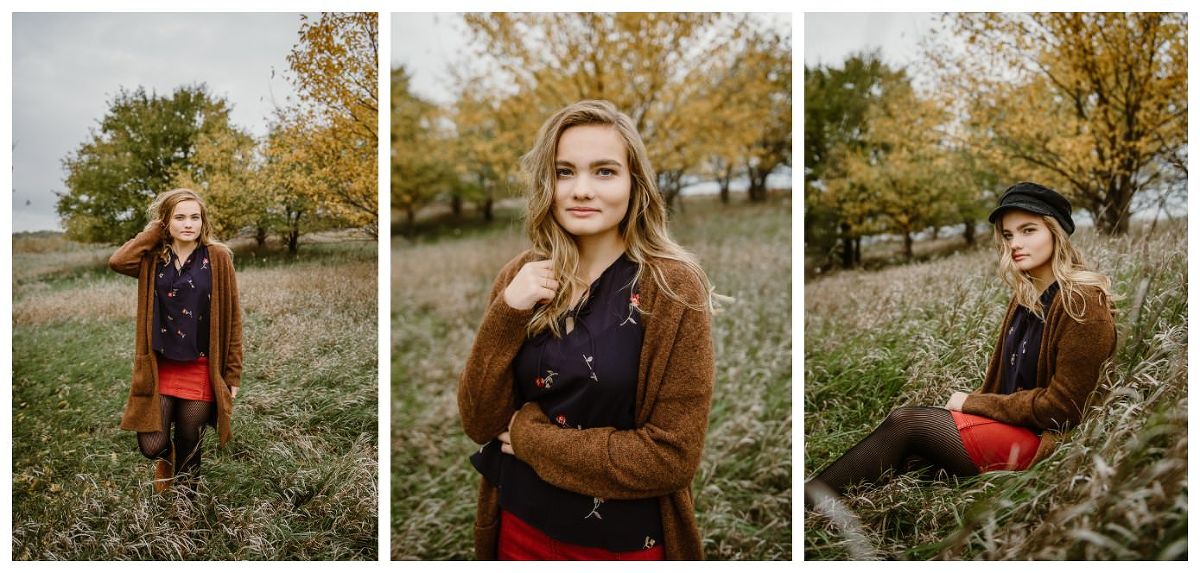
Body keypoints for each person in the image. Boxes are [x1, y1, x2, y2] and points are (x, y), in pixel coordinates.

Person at [457, 100, 718, 560]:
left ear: (634, 183)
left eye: (604, 172)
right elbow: (479, 422)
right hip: (516, 529)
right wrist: (507, 312)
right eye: (563, 172)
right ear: (547, 183)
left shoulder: (672, 287)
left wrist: (530, 438)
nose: (581, 190)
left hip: (621, 544)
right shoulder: (520, 276)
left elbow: (671, 457)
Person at [805, 182, 1117, 506]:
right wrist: (978, 410)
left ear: (1056, 232)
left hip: (1044, 444)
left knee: (909, 422)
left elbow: (1064, 409)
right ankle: (834, 516)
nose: (1015, 244)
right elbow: (1008, 385)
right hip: (1012, 428)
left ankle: (802, 507)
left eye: (1028, 230)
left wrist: (971, 404)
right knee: (912, 457)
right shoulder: (1025, 297)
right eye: (1008, 235)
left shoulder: (1082, 303)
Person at [109, 188, 243, 493]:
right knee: (151, 444)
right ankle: (164, 461)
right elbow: (118, 260)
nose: (188, 224)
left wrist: (232, 373)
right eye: (179, 217)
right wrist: (155, 231)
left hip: (201, 365)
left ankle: (184, 511)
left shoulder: (218, 257)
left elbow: (233, 317)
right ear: (166, 222)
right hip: (161, 366)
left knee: (189, 443)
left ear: (203, 221)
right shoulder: (154, 259)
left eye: (195, 217)